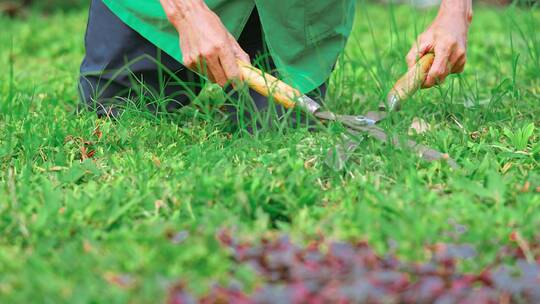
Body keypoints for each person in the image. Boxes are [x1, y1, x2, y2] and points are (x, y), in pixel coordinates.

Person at [79, 0, 472, 119]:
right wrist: (186, 13)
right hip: (161, 11)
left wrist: (455, 11)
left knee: (274, 127)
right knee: (115, 109)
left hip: (295, 14)